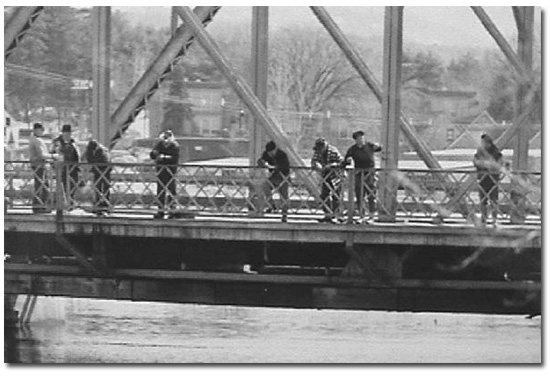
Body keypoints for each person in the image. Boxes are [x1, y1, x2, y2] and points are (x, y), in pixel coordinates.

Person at [344, 130, 382, 221]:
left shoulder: (369, 145)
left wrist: (379, 146)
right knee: (360, 194)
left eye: (363, 138)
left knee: (371, 193)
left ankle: (372, 215)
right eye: (359, 138)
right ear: (356, 140)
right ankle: (362, 214)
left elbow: (379, 148)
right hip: (359, 173)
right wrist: (348, 160)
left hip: (370, 172)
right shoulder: (353, 149)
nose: (362, 140)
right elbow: (346, 159)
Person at [311, 137, 344, 223]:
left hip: (336, 176)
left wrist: (332, 165)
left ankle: (337, 215)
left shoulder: (333, 151)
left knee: (336, 196)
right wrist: (316, 164)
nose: (320, 150)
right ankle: (328, 214)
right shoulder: (318, 151)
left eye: (321, 148)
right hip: (325, 176)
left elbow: (342, 162)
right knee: (324, 196)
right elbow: (314, 160)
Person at [257, 141, 290, 223]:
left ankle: (284, 214)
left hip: (283, 177)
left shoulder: (282, 155)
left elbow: (283, 167)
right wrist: (262, 162)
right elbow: (260, 161)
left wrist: (271, 166)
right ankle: (272, 205)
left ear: (275, 150)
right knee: (265, 186)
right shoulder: (266, 154)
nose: (270, 154)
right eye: (268, 153)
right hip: (273, 176)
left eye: (271, 152)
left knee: (284, 195)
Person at [473, 133, 503, 224]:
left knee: (493, 200)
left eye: (484, 142)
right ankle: (484, 218)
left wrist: (488, 165)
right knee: (483, 201)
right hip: (482, 179)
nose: (482, 144)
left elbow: (499, 164)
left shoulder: (496, 152)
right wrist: (483, 164)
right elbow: (475, 161)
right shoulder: (479, 151)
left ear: (488, 143)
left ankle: (494, 219)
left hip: (493, 180)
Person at [150, 130, 180, 219]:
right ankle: (160, 210)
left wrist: (164, 157)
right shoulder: (159, 144)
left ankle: (172, 210)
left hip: (171, 171)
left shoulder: (175, 145)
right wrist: (154, 153)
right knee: (160, 192)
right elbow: (152, 155)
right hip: (160, 171)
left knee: (171, 191)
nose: (165, 140)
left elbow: (175, 158)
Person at [51, 124, 80, 209]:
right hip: (62, 168)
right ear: (63, 133)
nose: (68, 135)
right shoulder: (57, 142)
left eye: (69, 133)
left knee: (72, 186)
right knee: (62, 186)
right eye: (66, 133)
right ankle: (62, 205)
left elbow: (77, 154)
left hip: (73, 168)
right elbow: (53, 153)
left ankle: (70, 203)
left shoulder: (73, 142)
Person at [28, 123, 52, 213]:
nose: (43, 132)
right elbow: (42, 155)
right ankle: (40, 206)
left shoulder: (33, 139)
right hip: (39, 165)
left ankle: (39, 205)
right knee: (42, 186)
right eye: (41, 130)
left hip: (38, 165)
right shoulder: (37, 140)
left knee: (41, 185)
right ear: (36, 130)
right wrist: (53, 156)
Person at [84, 140, 111, 216]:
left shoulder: (99, 151)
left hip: (100, 171)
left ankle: (99, 206)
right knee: (105, 189)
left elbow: (91, 161)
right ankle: (105, 206)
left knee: (98, 188)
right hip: (106, 170)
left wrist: (88, 155)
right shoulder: (103, 149)